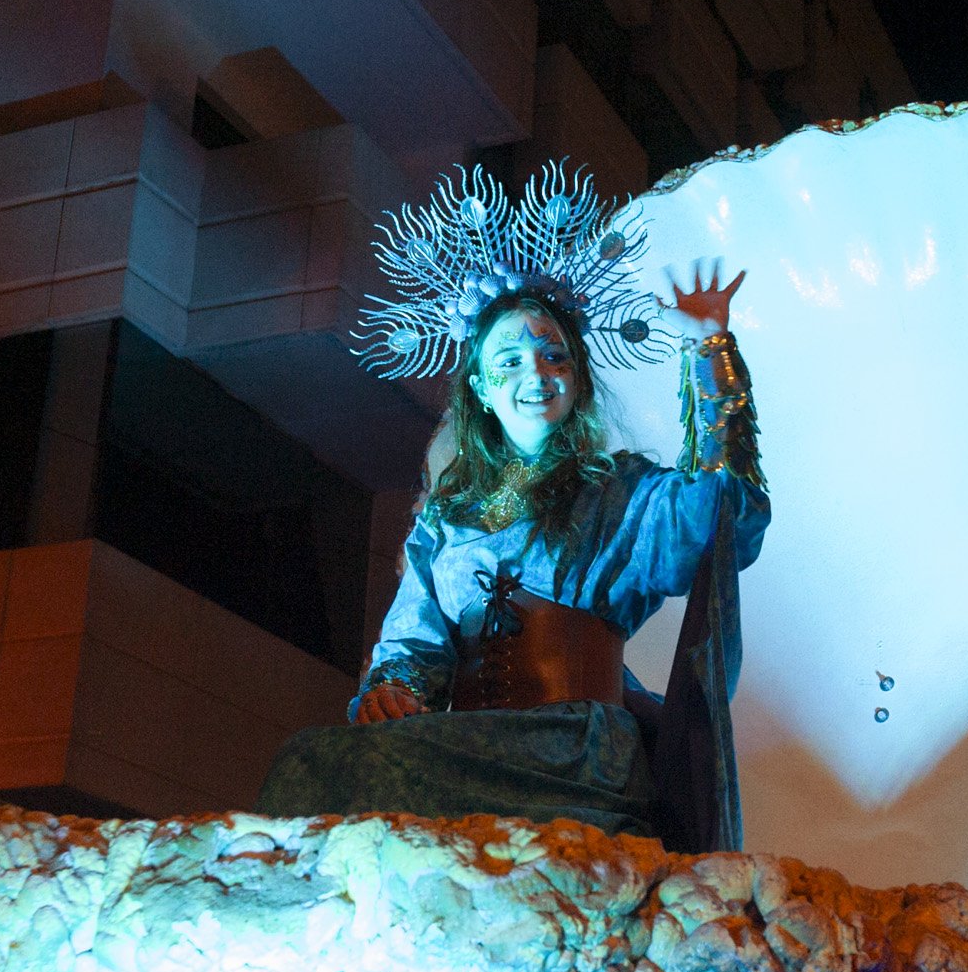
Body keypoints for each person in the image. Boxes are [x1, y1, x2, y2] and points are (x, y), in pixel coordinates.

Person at [256, 169, 768, 845]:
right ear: (481, 387)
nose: (535, 373)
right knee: (305, 764)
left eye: (552, 355)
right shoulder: (447, 520)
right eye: (511, 361)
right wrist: (396, 689)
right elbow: (414, 643)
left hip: (576, 750)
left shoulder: (616, 491)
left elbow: (723, 511)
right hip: (472, 741)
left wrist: (709, 350)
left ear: (576, 376)